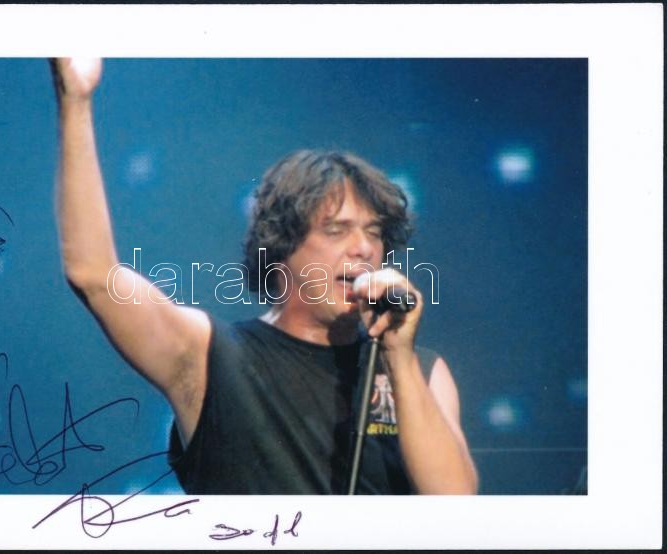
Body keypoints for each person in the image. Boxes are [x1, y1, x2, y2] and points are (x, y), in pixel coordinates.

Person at [51, 57, 478, 495]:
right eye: (337, 230)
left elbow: (456, 501)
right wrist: (76, 101)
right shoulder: (212, 358)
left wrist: (399, 359)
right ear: (282, 245)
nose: (363, 248)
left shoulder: (422, 370)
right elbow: (95, 276)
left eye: (373, 233)